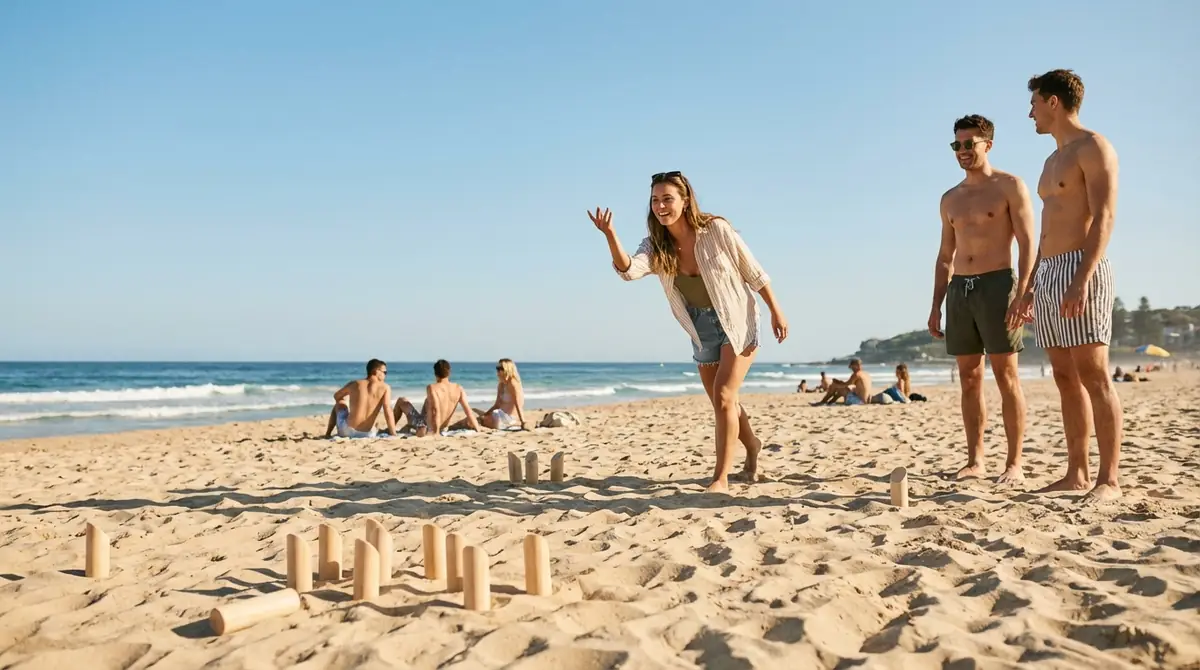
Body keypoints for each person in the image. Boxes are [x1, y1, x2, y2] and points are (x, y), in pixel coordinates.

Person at [589, 170, 788, 493]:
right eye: (655, 200)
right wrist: (611, 234)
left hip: (737, 322)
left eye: (668, 198)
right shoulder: (657, 245)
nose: (660, 206)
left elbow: (754, 272)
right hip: (700, 329)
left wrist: (776, 311)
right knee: (723, 402)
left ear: (685, 200)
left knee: (724, 396)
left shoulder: (716, 230)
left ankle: (720, 479)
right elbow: (629, 271)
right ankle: (752, 445)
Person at [1014, 69, 1123, 501]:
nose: (1031, 113)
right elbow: (1045, 230)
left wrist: (1081, 279)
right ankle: (1076, 472)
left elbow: (1105, 217)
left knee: (1094, 374)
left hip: (1083, 266)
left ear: (1054, 102)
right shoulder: (1050, 161)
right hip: (1051, 269)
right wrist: (1031, 286)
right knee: (1063, 375)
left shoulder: (1093, 147)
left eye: (1035, 103)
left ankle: (1109, 479)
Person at [928, 114, 1036, 485]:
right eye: (956, 144)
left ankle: (1014, 463)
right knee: (969, 378)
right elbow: (944, 256)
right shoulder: (950, 199)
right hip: (961, 289)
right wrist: (935, 305)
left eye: (968, 144)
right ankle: (975, 461)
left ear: (987, 144)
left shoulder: (1009, 186)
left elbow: (1027, 243)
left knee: (1007, 376)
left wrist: (1024, 292)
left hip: (997, 285)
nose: (961, 151)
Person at [393, 359, 483, 436]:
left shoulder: (432, 387)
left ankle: (391, 430)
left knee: (402, 400)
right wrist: (477, 429)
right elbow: (468, 411)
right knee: (428, 401)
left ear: (435, 373)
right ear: (449, 372)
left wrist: (435, 432)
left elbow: (435, 410)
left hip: (428, 426)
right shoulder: (458, 388)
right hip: (443, 426)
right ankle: (418, 427)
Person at [323, 358, 398, 438]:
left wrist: (345, 403)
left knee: (339, 404)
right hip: (368, 434)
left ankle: (327, 434)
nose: (385, 375)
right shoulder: (385, 388)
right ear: (376, 371)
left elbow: (336, 396)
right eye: (384, 372)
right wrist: (393, 434)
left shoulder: (355, 384)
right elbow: (387, 411)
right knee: (375, 425)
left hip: (347, 431)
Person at [476, 358, 529, 430]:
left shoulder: (513, 383)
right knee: (473, 420)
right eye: (497, 368)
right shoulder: (501, 385)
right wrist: (485, 414)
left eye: (500, 368)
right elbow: (497, 405)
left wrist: (523, 422)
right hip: (499, 415)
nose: (498, 371)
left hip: (508, 419)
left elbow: (518, 404)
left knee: (472, 422)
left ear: (508, 369)